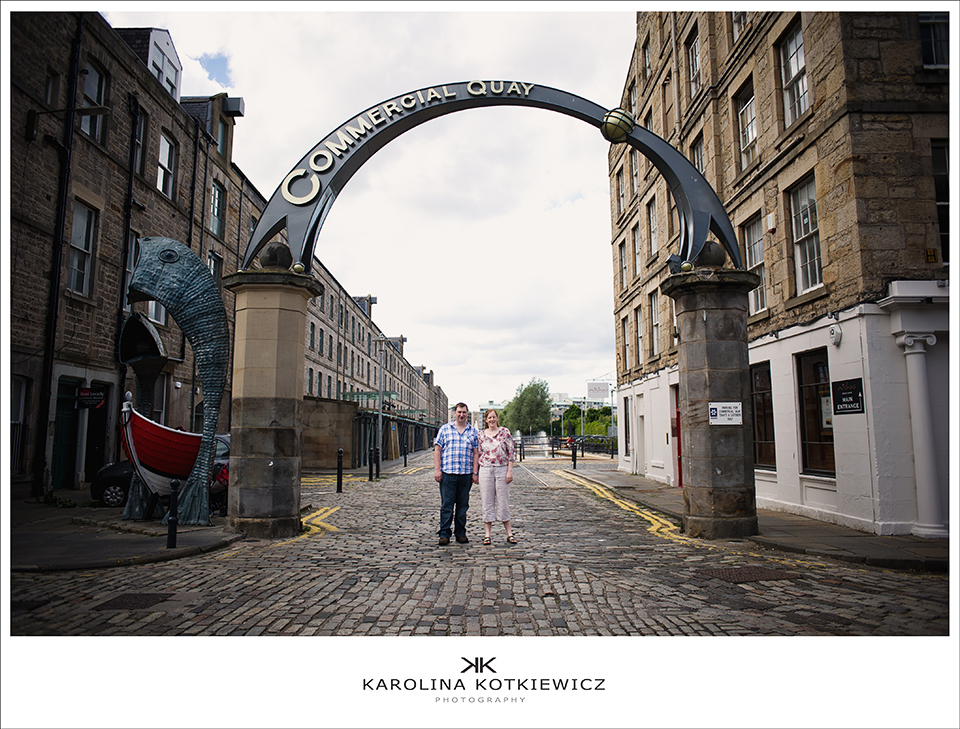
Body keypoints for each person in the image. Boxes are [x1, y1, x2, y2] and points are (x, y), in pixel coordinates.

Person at [433, 402, 479, 546]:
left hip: (465, 474)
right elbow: (438, 450)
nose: (461, 415)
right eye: (459, 412)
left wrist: (475, 472)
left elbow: (476, 453)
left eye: (464, 412)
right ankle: (444, 533)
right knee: (447, 505)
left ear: (467, 413)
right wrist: (437, 469)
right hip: (448, 473)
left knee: (462, 505)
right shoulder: (445, 429)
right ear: (454, 413)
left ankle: (460, 533)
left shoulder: (472, 431)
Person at [477, 409, 517, 544]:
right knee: (487, 501)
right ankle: (487, 535)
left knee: (503, 501)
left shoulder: (505, 432)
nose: (492, 420)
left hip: (502, 469)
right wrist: (475, 473)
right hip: (486, 469)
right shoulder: (481, 435)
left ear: (497, 418)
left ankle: (509, 533)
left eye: (494, 417)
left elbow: (511, 453)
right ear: (486, 420)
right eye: (489, 418)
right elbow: (478, 453)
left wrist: (509, 471)